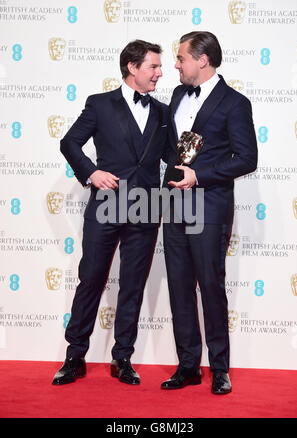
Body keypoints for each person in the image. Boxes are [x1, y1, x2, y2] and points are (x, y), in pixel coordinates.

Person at [52, 40, 168, 386]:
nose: (159, 73)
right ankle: (75, 356)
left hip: (146, 207)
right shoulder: (100, 104)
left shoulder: (162, 112)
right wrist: (90, 172)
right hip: (107, 204)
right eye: (153, 67)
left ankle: (123, 358)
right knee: (91, 280)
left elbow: (172, 158)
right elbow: (69, 142)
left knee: (132, 285)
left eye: (160, 67)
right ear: (132, 68)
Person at [161, 31, 257, 394]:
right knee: (179, 287)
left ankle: (220, 368)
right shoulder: (175, 95)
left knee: (211, 286)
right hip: (172, 204)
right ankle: (188, 366)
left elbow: (247, 159)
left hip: (209, 205)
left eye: (181, 57)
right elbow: (172, 148)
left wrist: (199, 176)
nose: (176, 64)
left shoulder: (235, 103)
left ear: (202, 60)